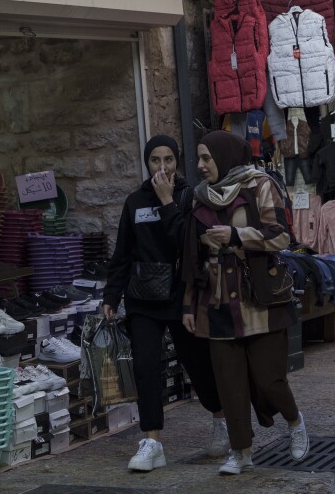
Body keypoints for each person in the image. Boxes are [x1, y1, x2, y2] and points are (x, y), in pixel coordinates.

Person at [183, 130, 306, 476]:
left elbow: (281, 235)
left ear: (224, 157)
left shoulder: (259, 185)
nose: (202, 165)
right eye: (200, 158)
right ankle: (241, 451)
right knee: (229, 381)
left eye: (207, 158)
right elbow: (192, 257)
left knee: (269, 379)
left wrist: (237, 236)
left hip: (259, 298)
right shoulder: (199, 198)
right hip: (217, 299)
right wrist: (189, 305)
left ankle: (296, 423)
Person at [103, 135, 227, 472]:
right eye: (155, 160)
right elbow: (122, 253)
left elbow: (188, 246)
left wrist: (167, 200)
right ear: (147, 163)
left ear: (177, 162)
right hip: (142, 297)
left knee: (197, 363)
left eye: (168, 159)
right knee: (145, 367)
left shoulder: (190, 197)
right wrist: (111, 296)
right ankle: (152, 441)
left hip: (180, 294)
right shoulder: (134, 202)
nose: (162, 167)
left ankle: (220, 420)